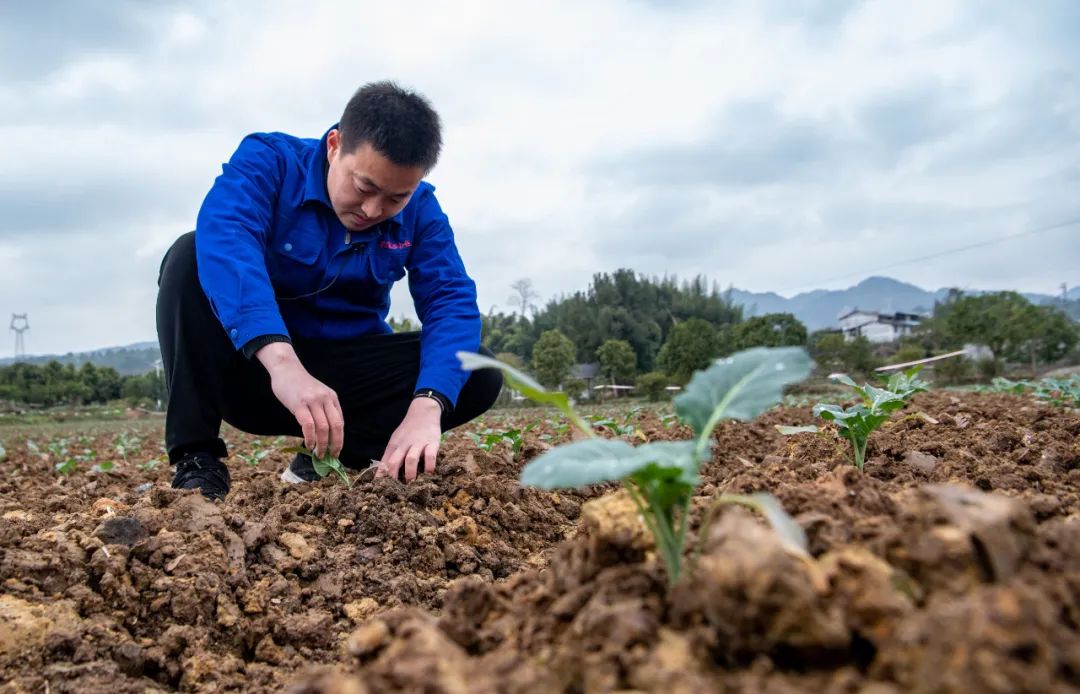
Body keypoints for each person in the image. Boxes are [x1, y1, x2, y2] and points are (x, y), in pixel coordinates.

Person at [155, 81, 502, 501]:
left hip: (342, 387)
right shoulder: (269, 163)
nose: (373, 210)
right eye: (364, 187)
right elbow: (227, 241)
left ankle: (330, 459)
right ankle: (197, 462)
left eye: (396, 197)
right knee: (189, 255)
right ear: (335, 146)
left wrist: (428, 405)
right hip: (259, 374)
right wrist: (282, 364)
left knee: (477, 369)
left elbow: (451, 301)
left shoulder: (423, 210)